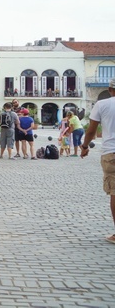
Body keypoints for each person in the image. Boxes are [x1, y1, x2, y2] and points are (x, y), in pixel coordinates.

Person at [80, 78, 115, 244]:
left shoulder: (102, 105)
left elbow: (91, 130)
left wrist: (85, 146)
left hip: (111, 153)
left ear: (110, 89)